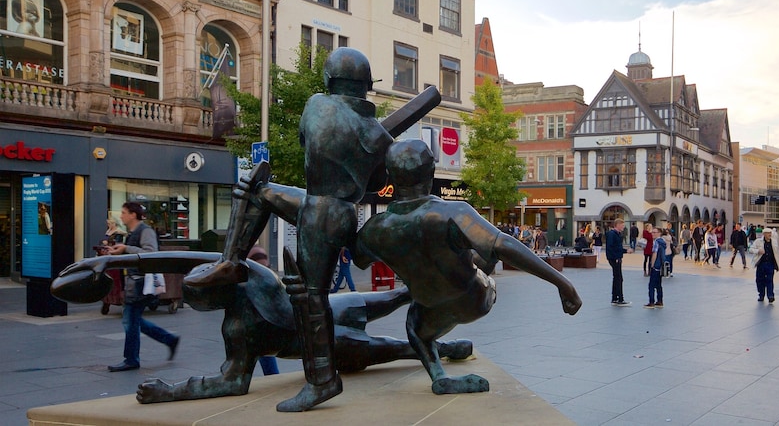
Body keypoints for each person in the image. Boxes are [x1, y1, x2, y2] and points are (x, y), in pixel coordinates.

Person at [184, 48, 438, 412]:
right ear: (367, 86)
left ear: (329, 80)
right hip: (333, 208)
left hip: (320, 209)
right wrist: (371, 147)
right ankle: (231, 262)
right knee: (264, 198)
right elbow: (378, 181)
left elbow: (308, 145)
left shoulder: (315, 104)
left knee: (308, 292)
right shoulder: (376, 135)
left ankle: (322, 380)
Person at [53, 249, 473, 403]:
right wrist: (170, 392)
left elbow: (185, 257)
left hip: (324, 307)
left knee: (394, 298)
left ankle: (438, 303)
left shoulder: (245, 285)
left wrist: (114, 261)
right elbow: (231, 383)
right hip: (326, 335)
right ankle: (448, 349)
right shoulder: (248, 291)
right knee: (394, 346)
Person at [353, 140, 581, 395]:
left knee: (415, 329)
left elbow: (359, 258)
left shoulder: (375, 228)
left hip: (429, 308)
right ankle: (443, 374)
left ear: (390, 177)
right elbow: (504, 244)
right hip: (474, 298)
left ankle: (438, 372)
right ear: (431, 174)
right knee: (482, 254)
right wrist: (562, 283)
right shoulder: (453, 211)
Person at [105, 201, 180, 372]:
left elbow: (150, 253)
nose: (121, 215)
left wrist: (125, 248)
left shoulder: (145, 231)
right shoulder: (131, 233)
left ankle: (131, 359)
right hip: (134, 282)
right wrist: (118, 251)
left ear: (133, 214)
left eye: (124, 212)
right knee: (133, 320)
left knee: (130, 320)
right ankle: (169, 339)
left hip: (141, 283)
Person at [247, 245, 280, 375]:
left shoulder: (257, 283)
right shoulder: (268, 279)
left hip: (261, 330)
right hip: (261, 328)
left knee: (267, 361)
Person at [750, 227, 779, 303]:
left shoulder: (774, 242)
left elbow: (777, 253)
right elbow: (750, 249)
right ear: (764, 234)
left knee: (769, 280)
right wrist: (758, 251)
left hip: (770, 264)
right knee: (760, 280)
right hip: (761, 264)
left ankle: (770, 296)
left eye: (770, 233)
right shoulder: (758, 241)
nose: (770, 234)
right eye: (768, 233)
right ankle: (761, 295)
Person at [606, 218, 630, 306]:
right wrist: (616, 257)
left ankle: (615, 298)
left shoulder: (616, 234)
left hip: (615, 257)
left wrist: (625, 251)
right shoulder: (613, 234)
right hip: (615, 258)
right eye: (622, 225)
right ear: (618, 225)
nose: (623, 227)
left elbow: (617, 247)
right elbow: (611, 247)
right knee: (618, 278)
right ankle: (620, 299)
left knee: (617, 277)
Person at [645, 227, 666, 308]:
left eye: (654, 232)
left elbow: (654, 253)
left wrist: (652, 265)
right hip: (661, 265)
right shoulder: (663, 242)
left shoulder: (656, 242)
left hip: (656, 265)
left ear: (659, 233)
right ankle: (660, 301)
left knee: (651, 285)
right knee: (658, 284)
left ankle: (651, 302)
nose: (653, 234)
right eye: (652, 232)